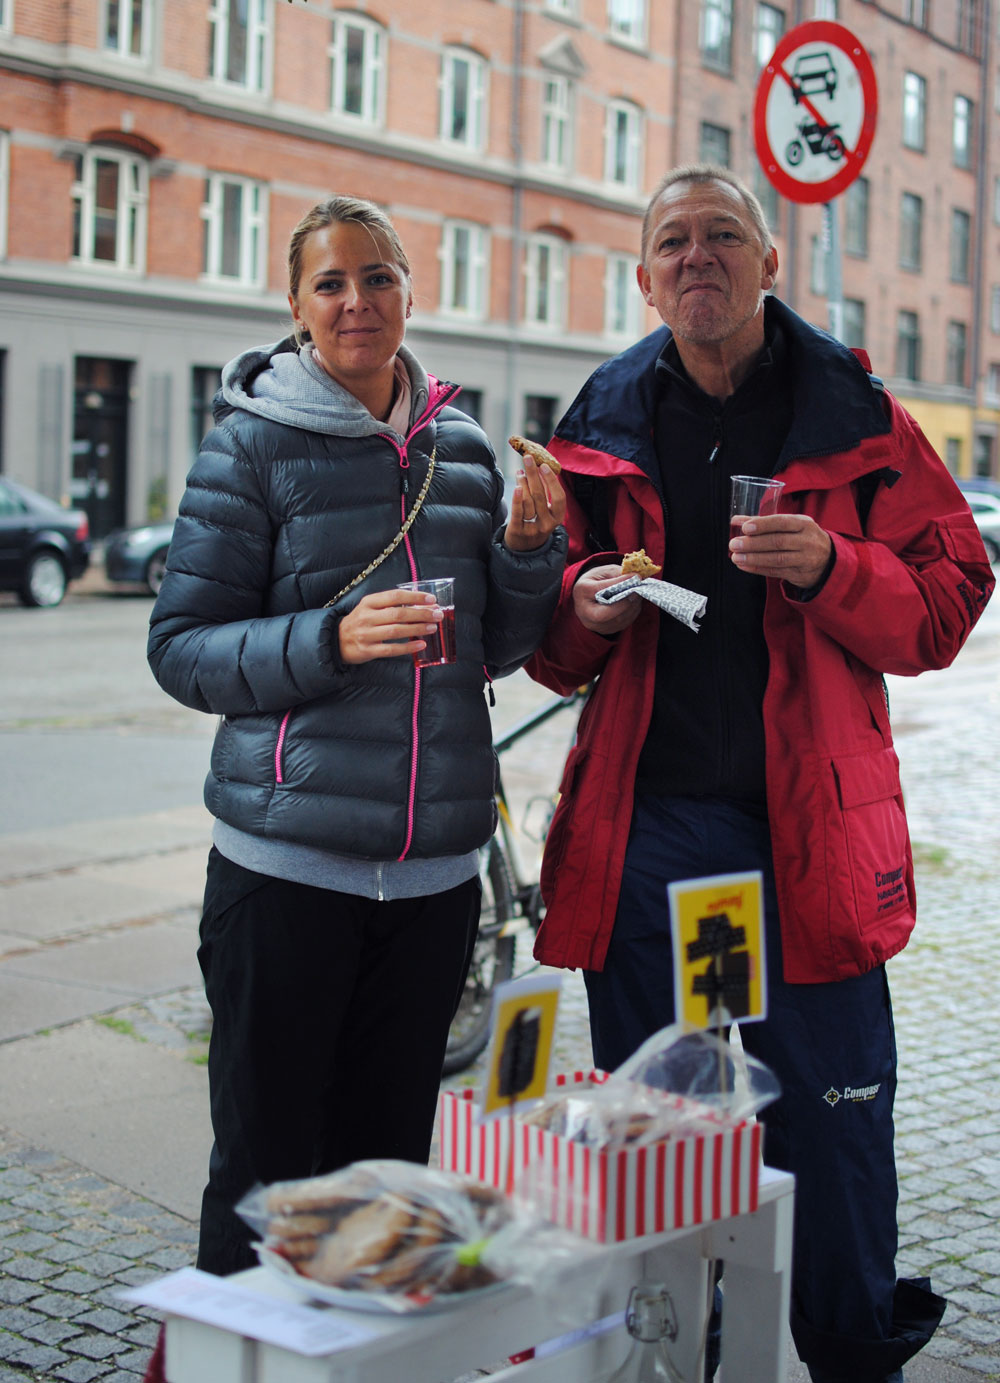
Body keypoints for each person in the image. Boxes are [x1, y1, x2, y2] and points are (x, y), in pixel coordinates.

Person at [525, 164, 993, 1383]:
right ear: (643, 277)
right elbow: (550, 642)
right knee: (663, 1128)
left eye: (723, 236)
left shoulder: (857, 412)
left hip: (808, 843)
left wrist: (833, 568)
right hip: (652, 836)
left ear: (769, 263)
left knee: (831, 1127)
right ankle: (681, 1354)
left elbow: (949, 604)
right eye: (672, 242)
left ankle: (849, 1356)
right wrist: (586, 605)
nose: (698, 259)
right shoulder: (603, 410)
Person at [147, 194, 567, 1277]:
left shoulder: (465, 453)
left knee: (386, 1179)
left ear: (408, 293)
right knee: (263, 1180)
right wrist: (329, 640)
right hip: (285, 873)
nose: (356, 301)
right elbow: (183, 647)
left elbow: (502, 648)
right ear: (294, 306)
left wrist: (530, 553)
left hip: (433, 885)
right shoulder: (249, 448)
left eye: (376, 277)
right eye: (330, 282)